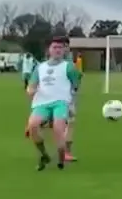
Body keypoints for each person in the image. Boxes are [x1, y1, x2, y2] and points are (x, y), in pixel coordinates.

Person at [25, 37, 81, 171]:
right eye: (54, 47)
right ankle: (44, 155)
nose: (57, 50)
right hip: (41, 103)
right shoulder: (40, 67)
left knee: (58, 129)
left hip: (61, 102)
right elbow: (32, 85)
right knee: (33, 126)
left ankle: (61, 153)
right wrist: (30, 90)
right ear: (49, 50)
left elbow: (75, 87)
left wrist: (72, 104)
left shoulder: (69, 67)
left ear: (64, 51)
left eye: (60, 48)